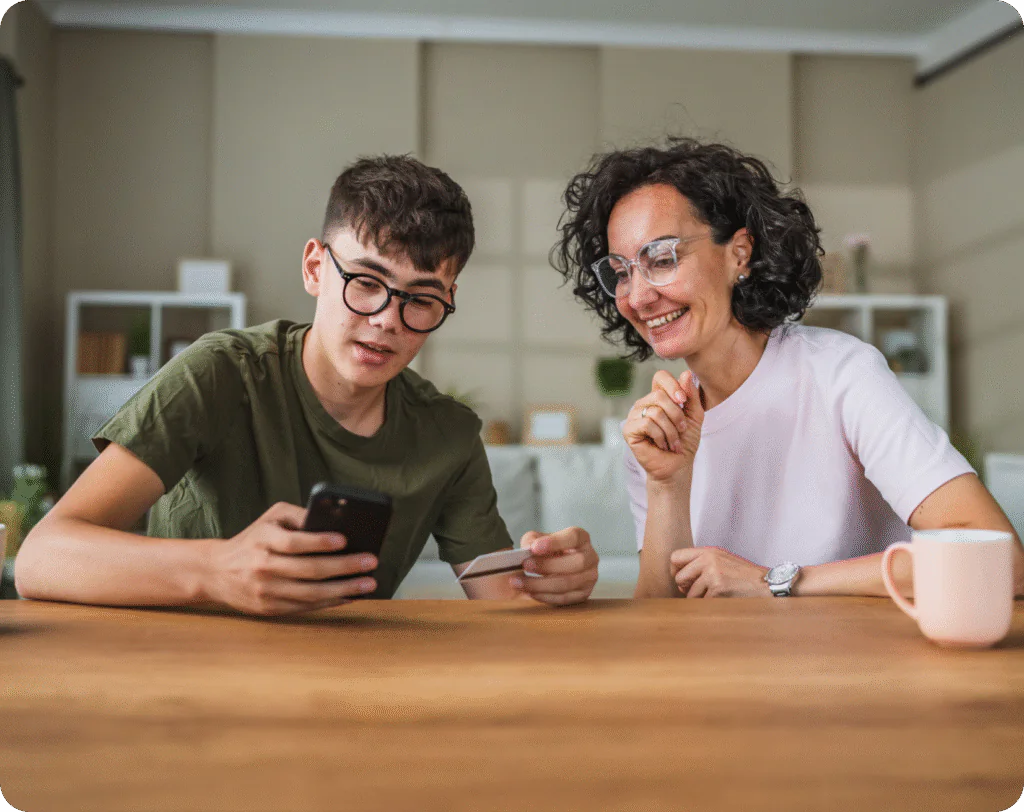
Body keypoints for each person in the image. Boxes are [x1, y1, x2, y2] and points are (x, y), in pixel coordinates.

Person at [16, 155, 599, 614]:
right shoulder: (221, 373)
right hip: (185, 682)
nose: (386, 320)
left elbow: (505, 602)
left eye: (420, 299)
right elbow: (41, 559)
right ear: (316, 268)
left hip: (349, 694)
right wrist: (218, 571)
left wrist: (556, 577)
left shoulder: (448, 433)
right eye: (367, 281)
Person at [552, 138, 1023, 599]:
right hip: (728, 675)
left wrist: (776, 580)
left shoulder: (841, 375)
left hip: (859, 671)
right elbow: (658, 631)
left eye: (661, 258)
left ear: (739, 254)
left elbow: (1000, 560)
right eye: (621, 271)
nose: (636, 295)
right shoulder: (661, 431)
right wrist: (665, 485)